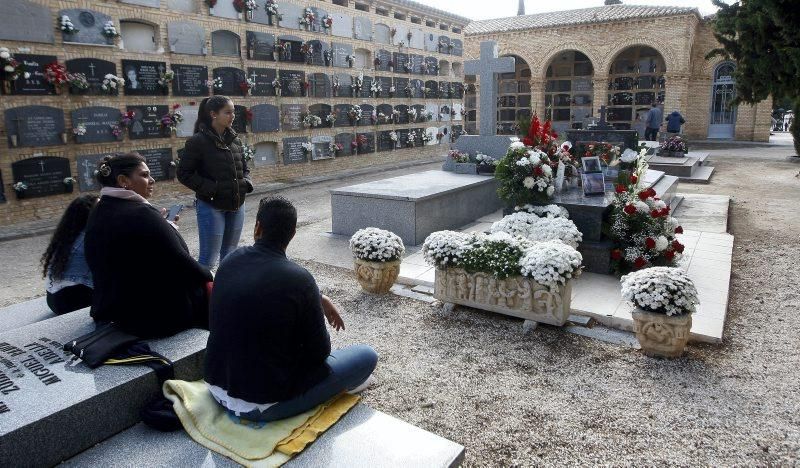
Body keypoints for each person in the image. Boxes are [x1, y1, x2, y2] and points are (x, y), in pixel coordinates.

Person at [204, 196, 378, 422]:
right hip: (263, 404)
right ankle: (330, 392)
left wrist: (318, 297)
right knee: (366, 356)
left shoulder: (230, 260)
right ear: (293, 233)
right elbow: (320, 353)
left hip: (215, 386)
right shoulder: (299, 279)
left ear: (257, 227)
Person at [84, 153, 213, 338]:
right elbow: (182, 263)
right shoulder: (142, 214)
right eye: (144, 175)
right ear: (123, 181)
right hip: (150, 318)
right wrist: (212, 275)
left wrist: (163, 227)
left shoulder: (100, 208)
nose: (152, 180)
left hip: (111, 309)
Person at [177, 96, 253, 269]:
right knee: (208, 259)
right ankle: (202, 295)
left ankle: (224, 293)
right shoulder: (198, 142)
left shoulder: (235, 140)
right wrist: (212, 189)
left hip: (236, 205)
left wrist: (246, 183)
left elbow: (245, 167)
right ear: (213, 114)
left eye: (233, 112)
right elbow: (183, 173)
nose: (232, 116)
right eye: (227, 112)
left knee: (230, 256)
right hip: (212, 207)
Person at [40, 195, 98, 315]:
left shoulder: (68, 235)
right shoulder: (88, 237)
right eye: (100, 208)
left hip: (53, 298)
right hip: (72, 301)